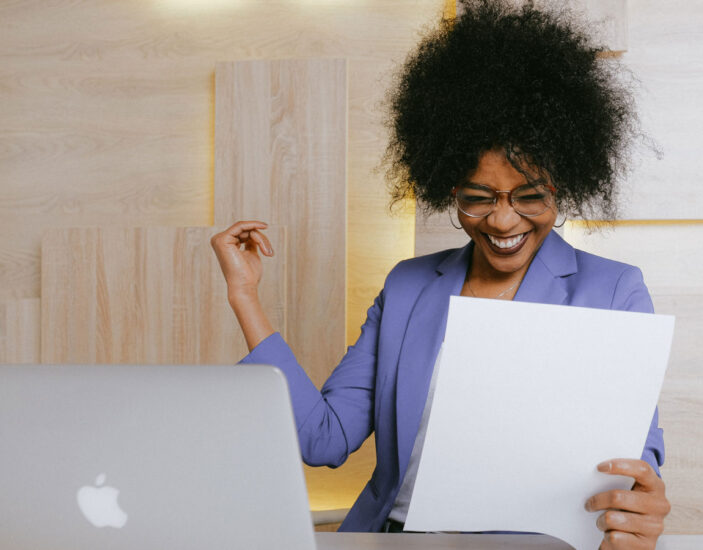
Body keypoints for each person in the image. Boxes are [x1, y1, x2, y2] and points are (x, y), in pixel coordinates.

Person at [211, 1, 670, 548]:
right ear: (448, 190)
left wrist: (641, 503)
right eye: (479, 198)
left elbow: (635, 457)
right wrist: (245, 296)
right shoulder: (408, 286)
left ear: (561, 186)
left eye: (530, 197)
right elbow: (324, 440)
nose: (503, 220)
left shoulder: (613, 291)